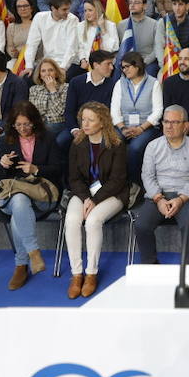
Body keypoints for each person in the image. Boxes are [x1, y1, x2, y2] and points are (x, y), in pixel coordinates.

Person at [64, 102, 128, 299]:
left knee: (92, 221)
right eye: (83, 119)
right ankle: (77, 274)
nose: (86, 123)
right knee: (72, 221)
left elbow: (118, 180)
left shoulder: (116, 143)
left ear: (102, 122)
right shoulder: (77, 144)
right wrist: (85, 198)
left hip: (112, 193)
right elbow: (74, 178)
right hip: (84, 193)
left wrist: (95, 199)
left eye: (91, 120)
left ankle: (91, 273)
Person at [0, 102, 60, 289]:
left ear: (35, 122)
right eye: (18, 125)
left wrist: (36, 169)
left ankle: (21, 264)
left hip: (41, 195)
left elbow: (57, 170)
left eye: (27, 124)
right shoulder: (5, 140)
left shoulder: (48, 138)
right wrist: (3, 164)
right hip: (13, 194)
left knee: (19, 211)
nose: (22, 129)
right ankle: (33, 252)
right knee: (19, 200)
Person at [132, 104, 189, 265]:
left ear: (185, 125)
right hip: (158, 195)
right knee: (142, 225)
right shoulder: (152, 146)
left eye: (174, 122)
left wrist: (180, 199)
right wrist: (159, 199)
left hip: (184, 196)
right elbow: (147, 176)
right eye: (166, 122)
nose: (169, 126)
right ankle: (150, 264)